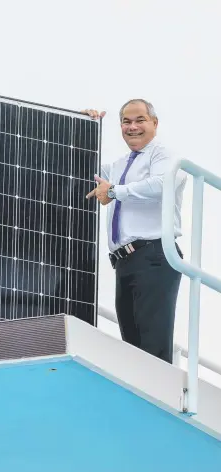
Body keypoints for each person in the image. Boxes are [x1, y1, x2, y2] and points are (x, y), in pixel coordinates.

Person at [82, 99, 186, 364]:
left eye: (140, 120)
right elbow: (82, 167)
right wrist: (82, 127)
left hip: (153, 256)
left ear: (154, 123)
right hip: (125, 262)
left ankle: (159, 399)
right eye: (126, 121)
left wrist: (116, 191)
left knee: (151, 347)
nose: (133, 127)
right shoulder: (118, 165)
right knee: (133, 349)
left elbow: (162, 184)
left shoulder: (162, 155)